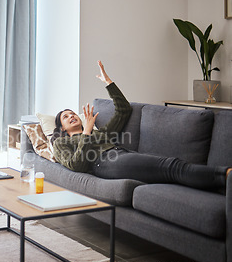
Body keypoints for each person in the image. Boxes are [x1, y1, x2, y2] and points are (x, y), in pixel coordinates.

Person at [51, 60, 231, 189]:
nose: (72, 116)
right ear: (63, 129)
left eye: (73, 113)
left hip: (122, 155)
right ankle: (225, 175)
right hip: (105, 162)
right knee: (172, 167)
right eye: (66, 117)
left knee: (171, 169)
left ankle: (219, 181)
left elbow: (124, 110)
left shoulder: (101, 134)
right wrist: (87, 131)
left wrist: (109, 83)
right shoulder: (61, 142)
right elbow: (76, 165)